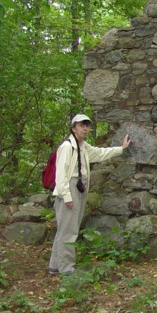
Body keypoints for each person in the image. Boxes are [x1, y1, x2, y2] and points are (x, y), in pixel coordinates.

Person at [48, 114, 131, 274]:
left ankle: (55, 266)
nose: (85, 128)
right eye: (81, 125)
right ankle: (66, 268)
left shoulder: (83, 146)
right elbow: (61, 174)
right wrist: (66, 196)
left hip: (80, 187)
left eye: (87, 125)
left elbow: (100, 153)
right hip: (69, 188)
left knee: (66, 229)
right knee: (69, 230)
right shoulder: (67, 147)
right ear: (73, 128)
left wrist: (121, 149)